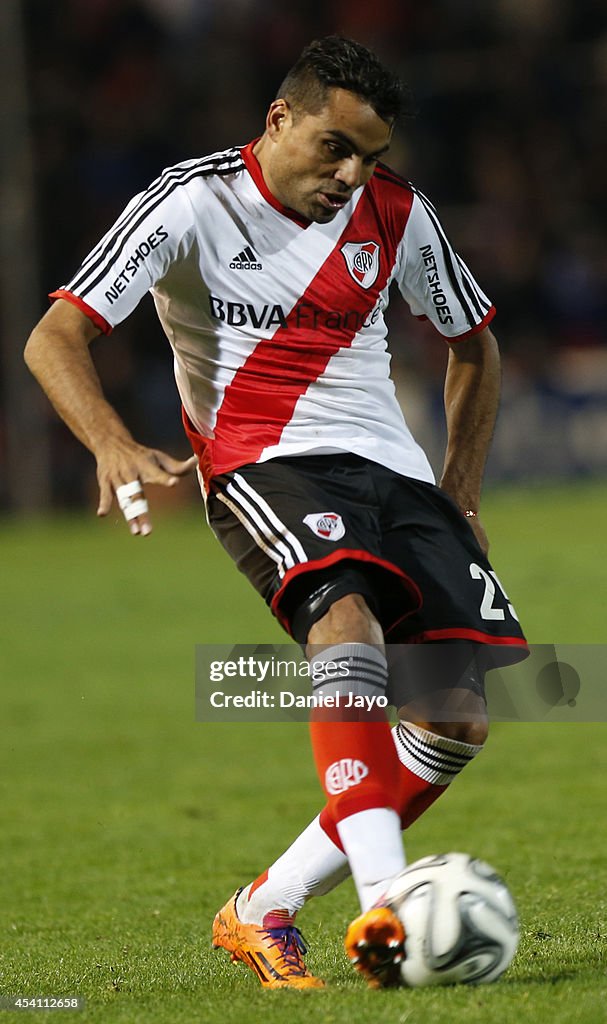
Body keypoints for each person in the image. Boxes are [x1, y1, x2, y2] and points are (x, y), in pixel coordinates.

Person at [25, 35, 527, 990]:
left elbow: (475, 346)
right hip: (261, 463)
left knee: (455, 718)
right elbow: (55, 336)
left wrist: (459, 488)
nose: (350, 174)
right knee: (346, 628)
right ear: (278, 120)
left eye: (370, 157)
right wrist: (109, 441)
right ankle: (389, 907)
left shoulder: (399, 215)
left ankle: (264, 907)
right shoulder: (191, 201)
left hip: (393, 471)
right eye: (334, 147)